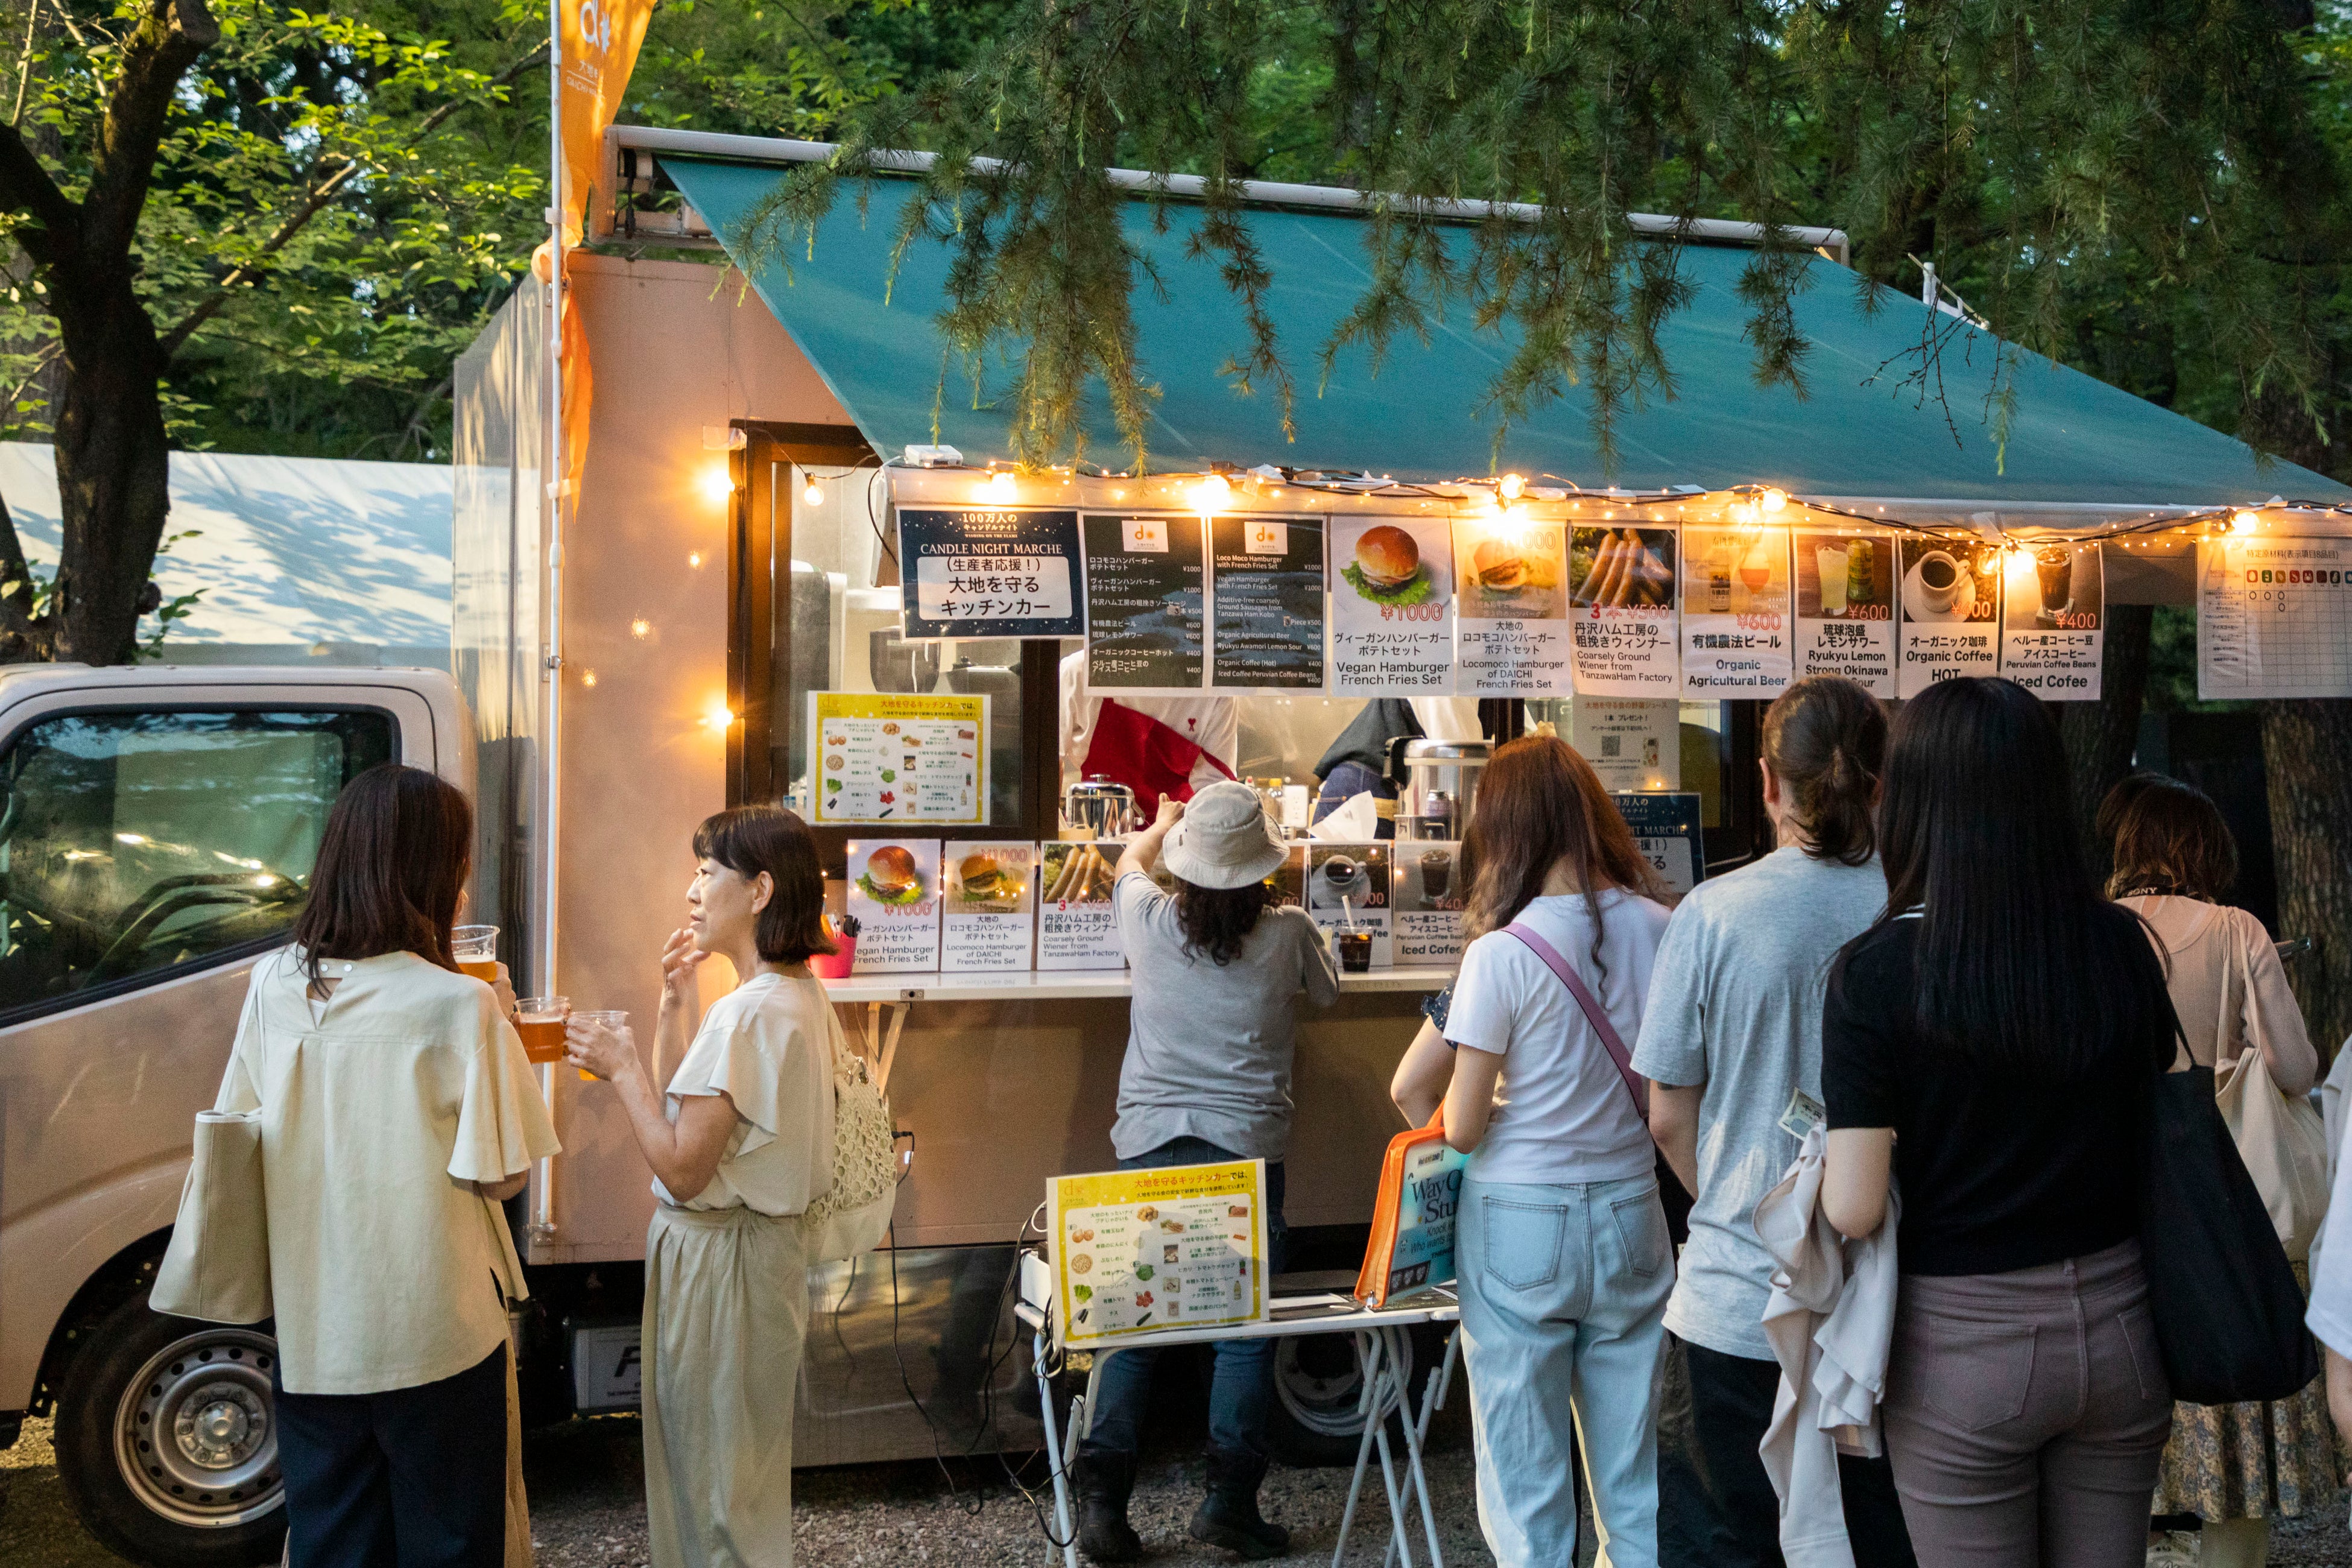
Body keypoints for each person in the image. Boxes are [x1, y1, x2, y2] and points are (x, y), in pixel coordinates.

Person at [1820, 677, 2179, 1567]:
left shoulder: (1875, 974)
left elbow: (1854, 1208)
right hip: (2126, 1325)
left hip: (1964, 1351)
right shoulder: (2119, 946)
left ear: (1907, 799)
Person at [213, 763, 558, 1568]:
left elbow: (238, 1135)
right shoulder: (460, 1003)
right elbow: (499, 1177)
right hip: (437, 1329)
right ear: (439, 873)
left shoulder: (274, 985)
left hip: (315, 1325)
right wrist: (503, 1026)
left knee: (335, 1540)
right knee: (451, 1544)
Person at [1631, 675, 1915, 1567]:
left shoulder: (1711, 914)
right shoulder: (1920, 909)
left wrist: (1740, 1200)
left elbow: (1669, 1115)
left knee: (1723, 1544)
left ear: (1764, 782)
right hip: (1893, 1305)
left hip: (1734, 1296)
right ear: (1881, 786)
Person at [1420, 735, 1675, 1567]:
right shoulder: (1665, 929)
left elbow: (1459, 1125)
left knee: (1528, 1488)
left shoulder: (1498, 955)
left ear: (1504, 831)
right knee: (1635, 1484)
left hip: (1520, 1221)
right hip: (1634, 1210)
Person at [564, 806, 839, 1568]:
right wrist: (670, 1006)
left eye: (708, 871)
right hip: (757, 1260)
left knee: (712, 1492)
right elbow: (704, 1114)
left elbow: (683, 1166)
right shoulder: (793, 995)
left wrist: (620, 1070)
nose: (693, 889)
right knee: (735, 1480)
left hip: (721, 1265)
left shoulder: (748, 1016)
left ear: (759, 891)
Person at [1072, 780, 1339, 1563]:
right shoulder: (1287, 931)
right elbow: (1328, 995)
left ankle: (1102, 1511)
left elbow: (1127, 860)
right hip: (1245, 1159)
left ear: (1187, 866)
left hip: (1150, 1152)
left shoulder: (1147, 916)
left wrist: (1160, 824)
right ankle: (1227, 1504)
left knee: (1133, 1327)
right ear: (1261, 868)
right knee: (1241, 1337)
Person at [2105, 777, 2329, 1568]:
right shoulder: (2237, 930)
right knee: (2234, 1383)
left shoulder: (2085, 930)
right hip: (2214, 1198)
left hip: (2105, 1197)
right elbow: (2297, 1070)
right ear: (2205, 849)